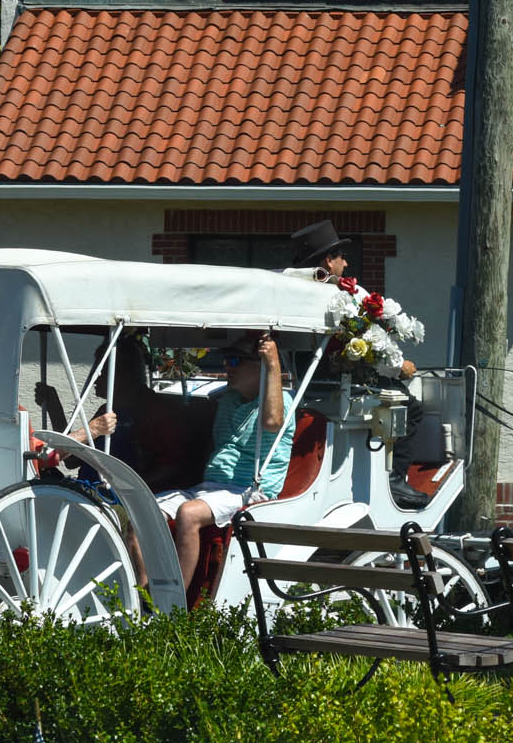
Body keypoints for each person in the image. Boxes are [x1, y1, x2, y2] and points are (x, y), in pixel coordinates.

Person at [290, 220, 432, 509]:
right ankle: (394, 478)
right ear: (329, 261)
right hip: (344, 381)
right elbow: (365, 338)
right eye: (340, 255)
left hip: (310, 383)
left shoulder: (300, 292)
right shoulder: (338, 296)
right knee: (412, 408)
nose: (346, 261)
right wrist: (399, 366)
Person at [151, 333, 292, 591]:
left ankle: (173, 604)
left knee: (188, 513)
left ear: (259, 365)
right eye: (226, 359)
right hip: (211, 487)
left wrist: (273, 363)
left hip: (249, 490)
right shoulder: (228, 401)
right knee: (145, 512)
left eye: (235, 360)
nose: (227, 366)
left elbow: (272, 422)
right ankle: (139, 597)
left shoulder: (281, 403)